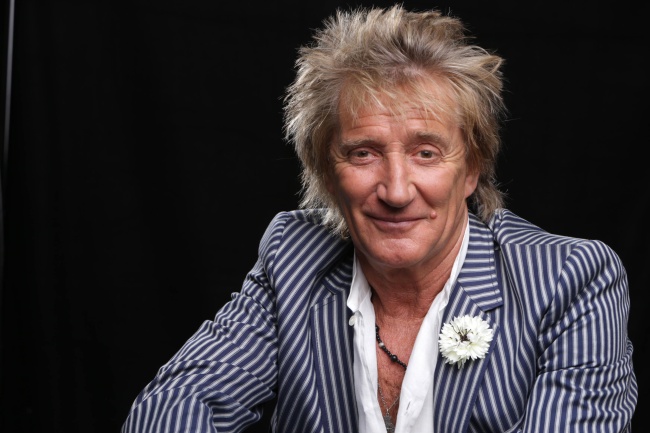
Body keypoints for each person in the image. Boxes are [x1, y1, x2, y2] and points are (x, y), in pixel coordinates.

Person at [121, 4, 638, 432]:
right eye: (363, 153)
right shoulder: (293, 258)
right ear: (326, 172)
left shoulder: (569, 280)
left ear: (472, 169)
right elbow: (167, 412)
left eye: (426, 153)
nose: (395, 190)